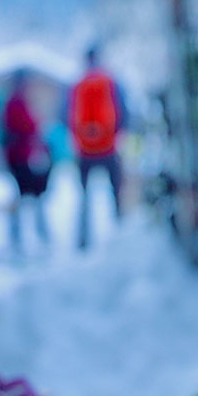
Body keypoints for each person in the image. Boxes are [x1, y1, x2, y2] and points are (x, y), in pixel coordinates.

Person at [68, 46, 127, 251]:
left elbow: (65, 115)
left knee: (84, 198)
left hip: (84, 151)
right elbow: (124, 112)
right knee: (116, 195)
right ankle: (121, 237)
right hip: (109, 148)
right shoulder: (111, 83)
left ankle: (82, 241)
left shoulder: (77, 85)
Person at [0, 70, 51, 257]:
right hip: (20, 159)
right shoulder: (16, 103)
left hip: (18, 158)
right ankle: (35, 235)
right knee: (30, 196)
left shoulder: (14, 102)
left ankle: (26, 235)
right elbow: (30, 126)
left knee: (25, 196)